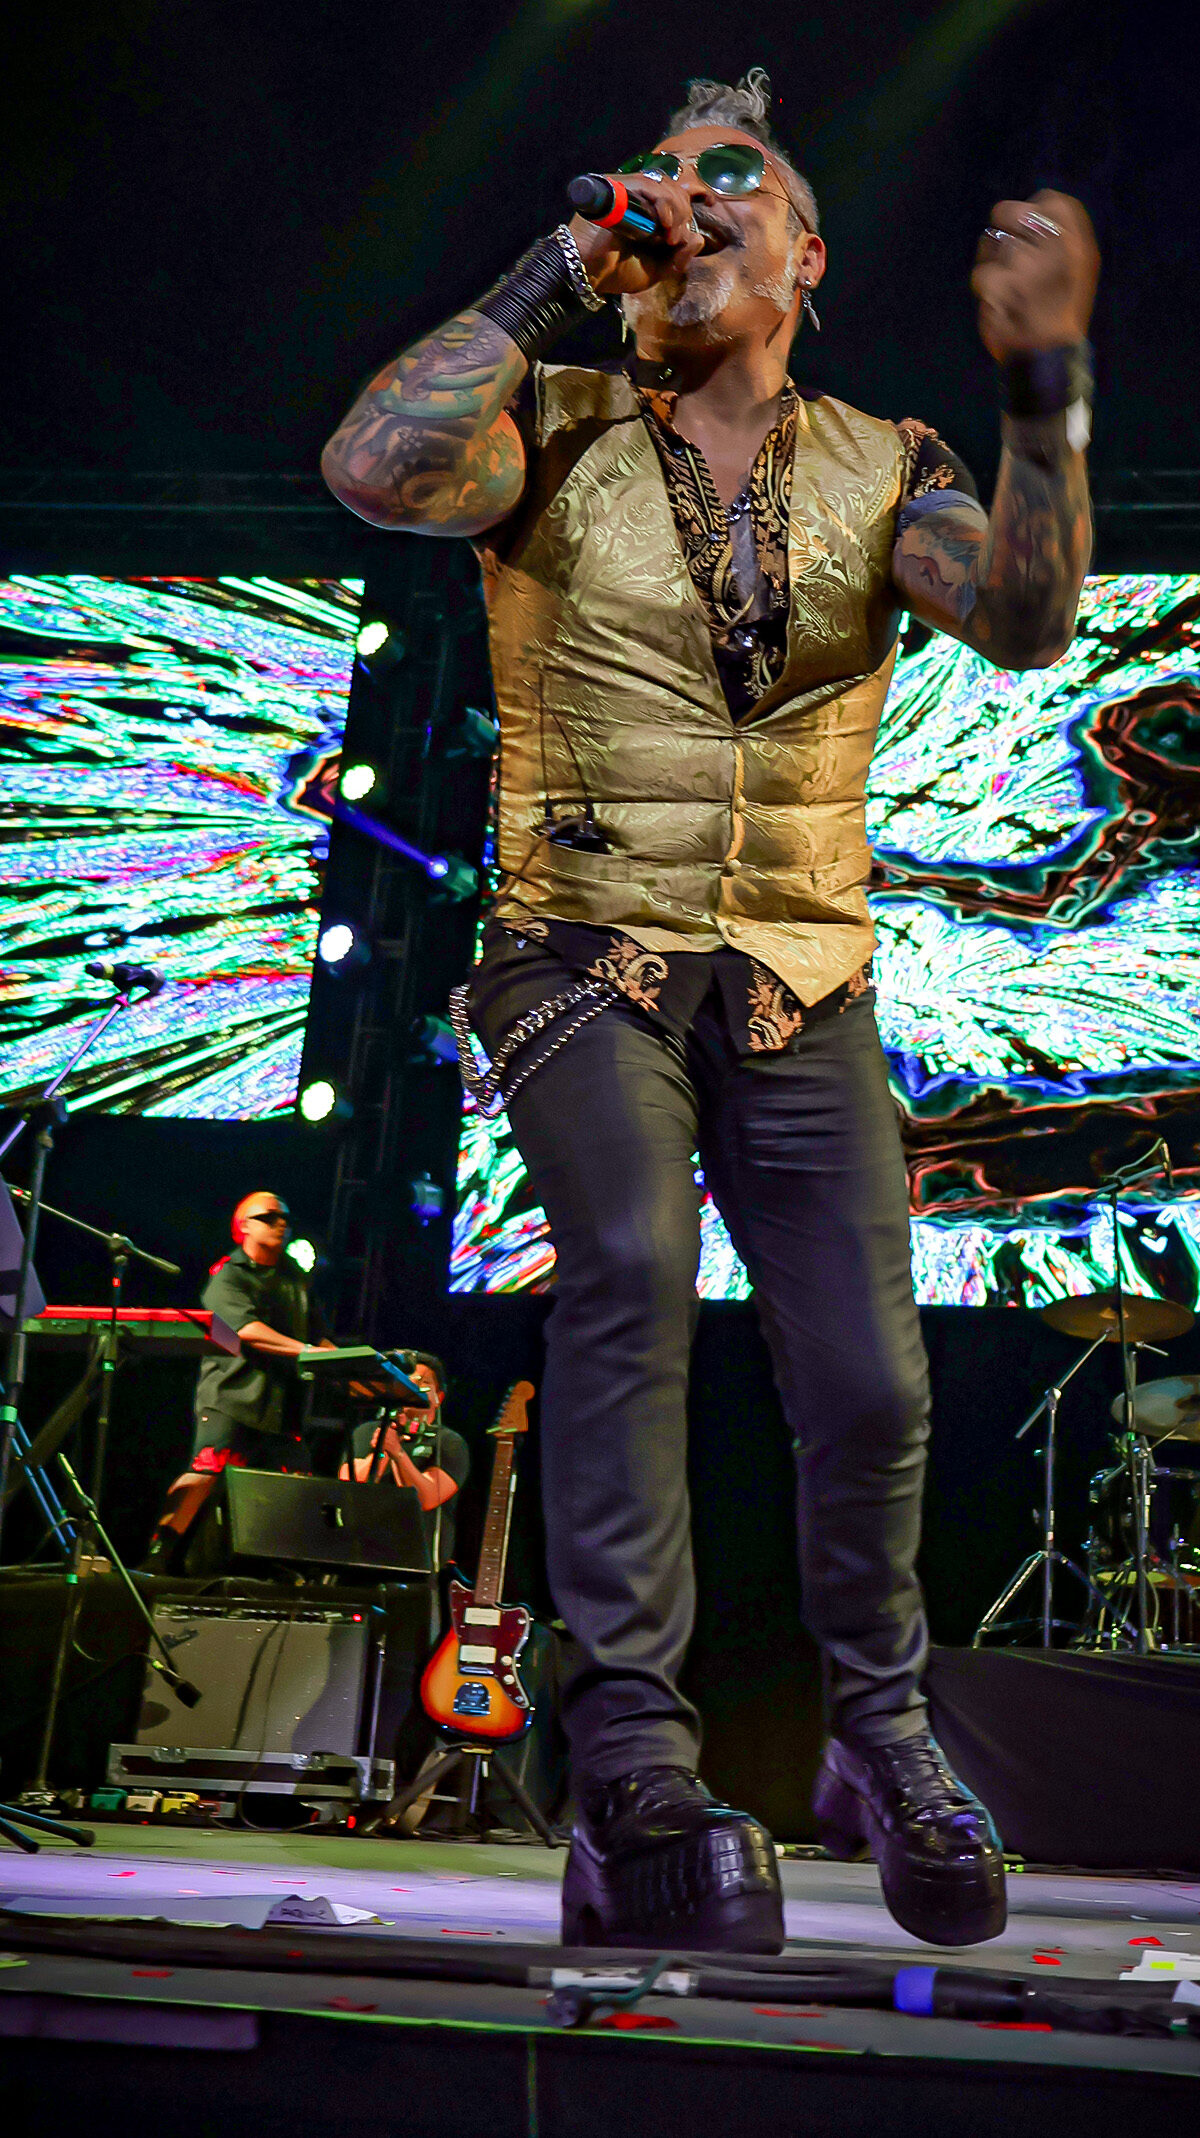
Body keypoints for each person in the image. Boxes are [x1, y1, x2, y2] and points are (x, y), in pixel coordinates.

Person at [321, 69, 1098, 1952]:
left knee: (872, 1378)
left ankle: (880, 1736)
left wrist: (1043, 386)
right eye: (657, 180)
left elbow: (1026, 619)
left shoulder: (889, 461)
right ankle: (633, 1763)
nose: (681, 197)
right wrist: (552, 268)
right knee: (628, 1272)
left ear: (806, 256)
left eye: (722, 181)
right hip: (580, 948)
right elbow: (372, 470)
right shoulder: (548, 426)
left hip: (804, 973)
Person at [143, 1192, 332, 1565]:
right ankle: (158, 1557)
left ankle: (286, 1570)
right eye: (269, 1217)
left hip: (282, 1406)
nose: (281, 1223)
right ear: (243, 1226)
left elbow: (318, 1335)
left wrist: (354, 1367)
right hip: (233, 1397)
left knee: (296, 1484)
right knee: (205, 1473)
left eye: (285, 1217)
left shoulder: (295, 1278)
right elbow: (246, 1330)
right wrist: (309, 1351)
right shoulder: (229, 1275)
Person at [340, 1351, 470, 1568]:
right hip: (362, 1554)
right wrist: (383, 1449)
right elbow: (350, 1487)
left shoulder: (449, 1442)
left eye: (423, 1382)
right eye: (407, 1381)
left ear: (439, 1398)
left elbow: (426, 1498)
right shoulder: (367, 1432)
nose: (413, 1386)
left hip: (416, 1562)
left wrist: (398, 1453)